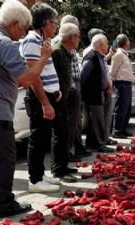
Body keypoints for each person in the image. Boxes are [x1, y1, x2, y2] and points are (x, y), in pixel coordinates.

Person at [0, 0, 51, 217]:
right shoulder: (3, 43)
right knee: (2, 160)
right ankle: (4, 205)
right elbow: (28, 79)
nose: (22, 35)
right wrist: (44, 57)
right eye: (22, 28)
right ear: (13, 22)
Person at [20, 2, 75, 190]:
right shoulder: (31, 41)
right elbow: (34, 76)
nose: (55, 26)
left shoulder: (43, 42)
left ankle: (41, 175)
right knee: (37, 139)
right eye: (53, 22)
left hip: (52, 96)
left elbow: (46, 71)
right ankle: (35, 180)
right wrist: (45, 103)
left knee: (45, 138)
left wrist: (57, 90)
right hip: (39, 98)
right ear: (44, 23)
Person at [57, 15, 92, 163]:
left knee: (76, 121)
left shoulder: (70, 47)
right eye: (77, 34)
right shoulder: (59, 46)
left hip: (73, 85)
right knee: (67, 122)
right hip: (67, 87)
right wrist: (70, 86)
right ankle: (66, 152)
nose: (78, 37)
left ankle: (74, 148)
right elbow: (63, 71)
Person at [50, 22, 82, 178]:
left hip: (65, 96)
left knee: (64, 133)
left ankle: (63, 165)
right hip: (56, 98)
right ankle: (58, 169)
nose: (79, 40)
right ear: (72, 37)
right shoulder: (56, 51)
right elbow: (48, 74)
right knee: (59, 133)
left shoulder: (65, 51)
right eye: (78, 36)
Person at [80, 34, 115, 153]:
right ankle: (99, 144)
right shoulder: (91, 57)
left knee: (96, 120)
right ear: (100, 45)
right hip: (92, 94)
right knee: (96, 119)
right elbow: (83, 76)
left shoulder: (100, 56)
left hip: (99, 93)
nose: (108, 46)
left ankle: (93, 143)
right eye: (106, 43)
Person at [110, 34, 134, 138]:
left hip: (127, 84)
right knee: (120, 108)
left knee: (127, 109)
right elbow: (113, 71)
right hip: (121, 84)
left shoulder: (125, 54)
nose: (129, 42)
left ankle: (123, 129)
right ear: (125, 43)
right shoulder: (119, 54)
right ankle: (117, 131)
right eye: (128, 40)